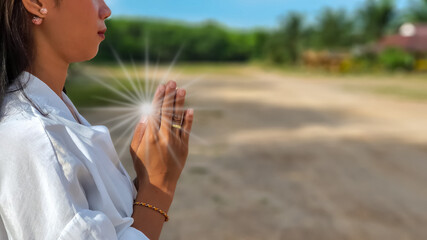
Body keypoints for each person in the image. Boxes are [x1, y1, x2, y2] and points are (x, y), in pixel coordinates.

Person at [0, 0, 194, 239]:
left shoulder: (56, 115)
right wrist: (158, 188)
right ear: (38, 3)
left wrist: (147, 177)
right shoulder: (34, 137)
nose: (106, 10)